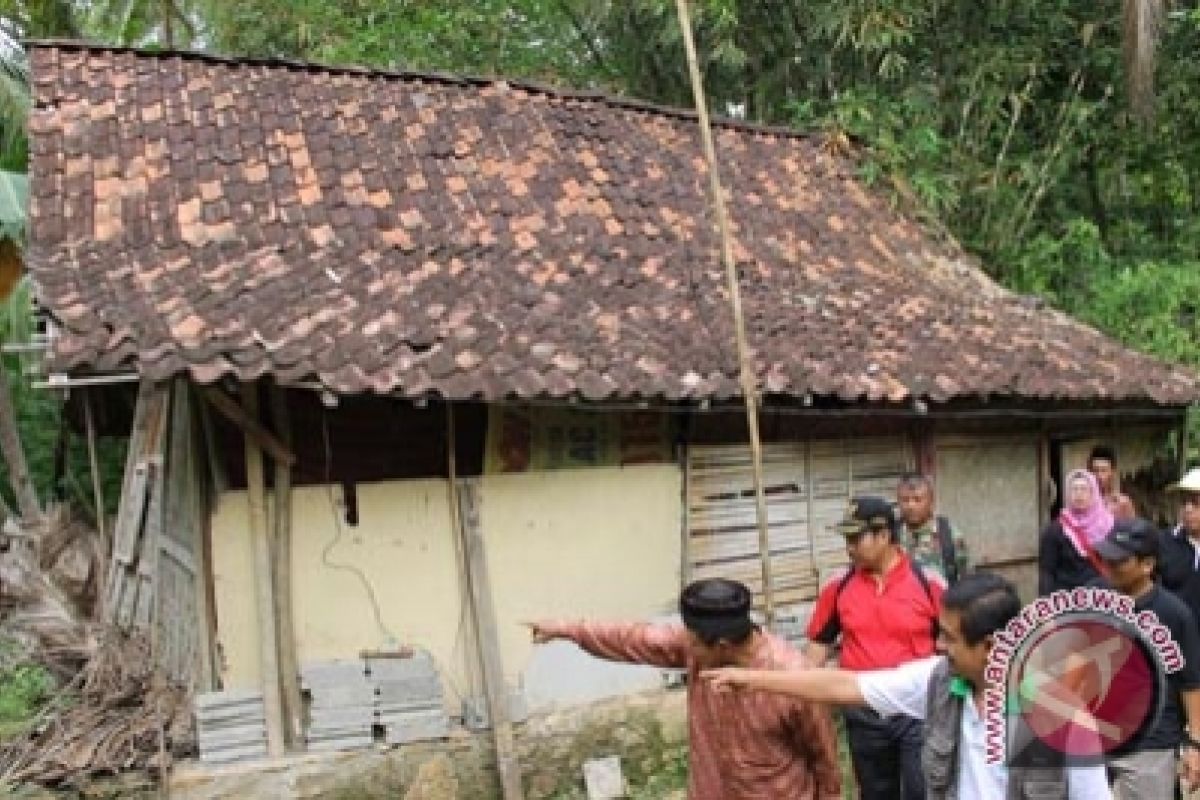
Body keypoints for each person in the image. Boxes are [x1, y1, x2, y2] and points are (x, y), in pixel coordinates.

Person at [705, 573, 1115, 799]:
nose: (939, 646)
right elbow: (848, 685)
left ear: (990, 647)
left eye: (951, 638)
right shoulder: (939, 682)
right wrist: (754, 678)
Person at [526, 578, 841, 800]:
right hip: (711, 790)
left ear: (721, 645)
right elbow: (635, 638)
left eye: (690, 639)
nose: (682, 643)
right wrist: (567, 628)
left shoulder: (793, 678)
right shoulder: (698, 649)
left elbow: (824, 756)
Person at [805, 495, 944, 799]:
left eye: (856, 538)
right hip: (864, 712)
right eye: (847, 539)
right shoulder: (838, 586)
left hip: (918, 712)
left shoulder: (928, 583)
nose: (849, 547)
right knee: (876, 792)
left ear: (884, 536)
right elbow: (818, 647)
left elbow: (951, 645)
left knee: (924, 790)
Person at [1092, 517, 1200, 798]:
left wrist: (1195, 747)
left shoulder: (1174, 615)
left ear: (1147, 565)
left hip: (1150, 747)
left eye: (1120, 561)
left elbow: (1191, 685)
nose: (1110, 567)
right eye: (1107, 559)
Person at [1038, 469, 1112, 596]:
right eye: (1074, 489)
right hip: (1067, 600)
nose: (1079, 494)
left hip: (1102, 598)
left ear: (1093, 493)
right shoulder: (1056, 529)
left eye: (1084, 489)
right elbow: (1047, 572)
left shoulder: (1108, 524)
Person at [895, 473, 969, 584]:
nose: (911, 506)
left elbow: (966, 581)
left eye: (917, 499)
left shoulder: (949, 536)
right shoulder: (890, 536)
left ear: (931, 502)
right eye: (905, 500)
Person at [1159, 467, 1200, 621]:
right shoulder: (1164, 542)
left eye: (1196, 503)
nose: (1188, 509)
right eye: (1184, 502)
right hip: (1172, 636)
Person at [1088, 445, 1136, 521]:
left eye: (1103, 470)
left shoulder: (1122, 503)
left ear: (1112, 472)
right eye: (1095, 470)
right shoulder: (1082, 503)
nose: (1099, 476)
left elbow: (1134, 531)